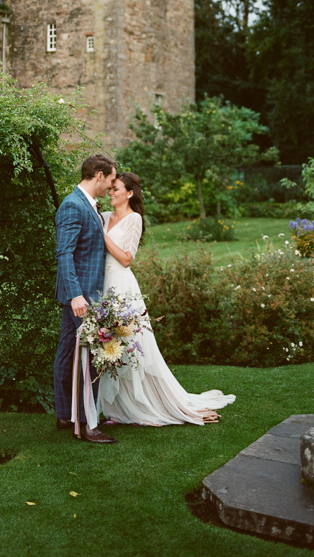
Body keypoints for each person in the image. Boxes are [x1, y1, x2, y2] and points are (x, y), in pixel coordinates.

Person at [97, 172, 235, 426]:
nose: (111, 192)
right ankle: (117, 409)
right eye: (110, 188)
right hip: (102, 287)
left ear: (129, 193)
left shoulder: (134, 219)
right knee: (110, 346)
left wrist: (102, 235)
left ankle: (146, 404)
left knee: (134, 347)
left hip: (122, 286)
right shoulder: (104, 218)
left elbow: (127, 258)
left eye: (116, 188)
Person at [53, 153, 118, 443]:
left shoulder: (87, 204)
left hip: (86, 293)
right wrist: (76, 295)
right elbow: (64, 253)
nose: (111, 186)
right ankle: (86, 423)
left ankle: (67, 415)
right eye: (111, 180)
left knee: (69, 352)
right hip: (80, 296)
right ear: (99, 176)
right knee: (85, 358)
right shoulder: (72, 205)